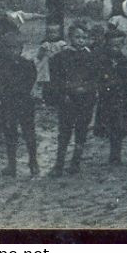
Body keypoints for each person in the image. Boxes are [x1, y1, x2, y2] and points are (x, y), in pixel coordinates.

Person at [44, 21, 98, 175]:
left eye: (84, 37)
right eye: (77, 37)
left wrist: (88, 90)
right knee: (65, 130)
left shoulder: (92, 57)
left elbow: (95, 78)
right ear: (69, 38)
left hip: (85, 99)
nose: (81, 40)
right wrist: (63, 94)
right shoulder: (60, 57)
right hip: (68, 99)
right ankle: (59, 163)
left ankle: (76, 161)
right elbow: (56, 80)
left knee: (81, 129)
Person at [0, 30, 39, 178]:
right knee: (10, 133)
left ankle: (33, 161)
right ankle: (12, 165)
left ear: (21, 49)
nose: (12, 51)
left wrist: (11, 88)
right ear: (3, 49)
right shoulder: (0, 66)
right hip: (7, 104)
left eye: (15, 48)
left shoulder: (27, 64)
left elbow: (30, 82)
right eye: (8, 48)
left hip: (24, 103)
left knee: (29, 133)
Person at [93, 27, 127, 166]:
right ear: (106, 45)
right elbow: (97, 78)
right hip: (107, 99)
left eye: (118, 46)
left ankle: (116, 153)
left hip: (123, 99)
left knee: (119, 127)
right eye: (112, 46)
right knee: (109, 125)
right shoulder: (101, 61)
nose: (115, 49)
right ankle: (113, 152)